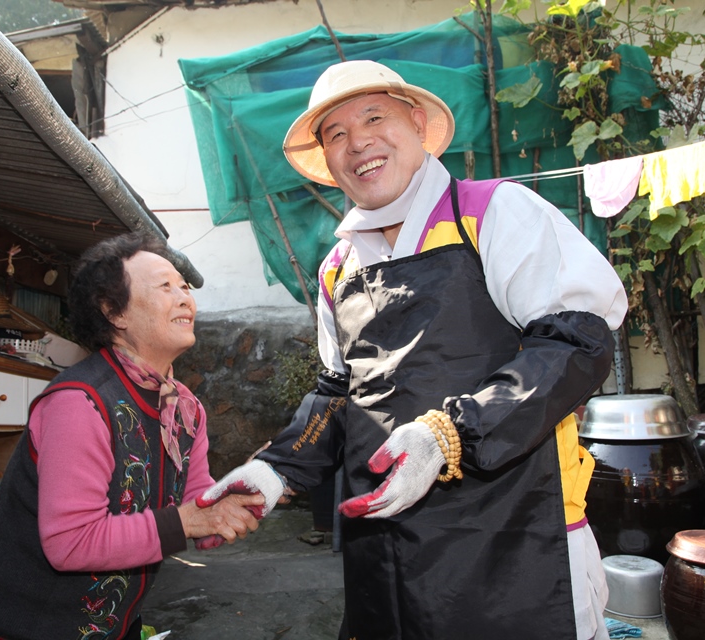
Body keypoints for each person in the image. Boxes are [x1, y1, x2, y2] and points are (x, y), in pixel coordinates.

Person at [199, 60, 628, 639]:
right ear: (326, 161)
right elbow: (336, 393)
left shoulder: (493, 212)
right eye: (337, 135)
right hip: (385, 554)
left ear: (419, 124)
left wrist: (450, 435)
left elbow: (577, 340)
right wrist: (274, 471)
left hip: (517, 543)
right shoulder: (336, 269)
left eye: (375, 117)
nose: (359, 144)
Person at [0, 234, 263, 639]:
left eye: (185, 286)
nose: (184, 297)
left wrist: (229, 504)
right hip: (27, 621)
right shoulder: (79, 403)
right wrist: (191, 520)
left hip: (113, 622)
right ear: (114, 311)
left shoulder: (185, 409)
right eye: (164, 286)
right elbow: (70, 541)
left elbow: (195, 503)